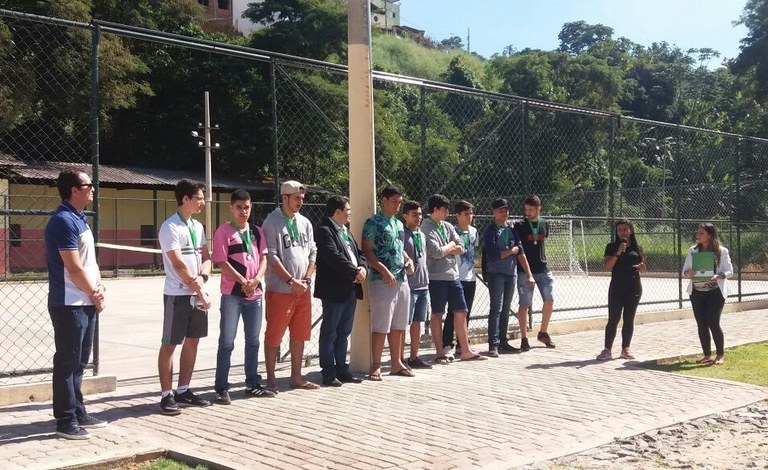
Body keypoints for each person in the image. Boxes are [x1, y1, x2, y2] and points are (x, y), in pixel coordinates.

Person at [45, 169, 107, 439]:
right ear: (74, 190)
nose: (93, 188)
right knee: (67, 362)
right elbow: (73, 266)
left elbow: (89, 262)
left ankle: (77, 409)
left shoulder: (80, 219)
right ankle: (65, 421)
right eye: (88, 185)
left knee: (80, 361)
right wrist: (93, 292)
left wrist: (99, 287)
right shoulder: (63, 221)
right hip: (69, 304)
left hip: (86, 300)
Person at [211, 189, 275, 404]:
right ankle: (221, 387)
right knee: (227, 342)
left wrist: (255, 280)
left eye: (247, 207)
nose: (244, 211)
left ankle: (252, 384)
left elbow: (264, 258)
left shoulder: (257, 231)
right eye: (239, 207)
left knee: (253, 341)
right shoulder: (223, 232)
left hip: (254, 295)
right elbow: (221, 261)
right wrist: (243, 281)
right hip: (233, 295)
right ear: (231, 207)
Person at [157, 179, 213, 415]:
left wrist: (204, 278)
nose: (202, 201)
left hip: (196, 292)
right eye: (199, 197)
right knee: (170, 344)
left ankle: (183, 389)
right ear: (185, 199)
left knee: (193, 340)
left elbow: (207, 257)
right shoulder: (169, 227)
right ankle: (166, 395)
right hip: (177, 295)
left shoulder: (198, 227)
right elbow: (178, 263)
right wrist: (198, 288)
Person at [262, 180, 318, 391]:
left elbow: (313, 251)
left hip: (302, 288)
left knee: (300, 333)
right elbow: (272, 256)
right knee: (274, 334)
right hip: (280, 289)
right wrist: (290, 280)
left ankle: (296, 376)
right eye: (296, 198)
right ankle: (270, 379)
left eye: (302, 199)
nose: (300, 202)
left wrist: (307, 278)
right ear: (284, 198)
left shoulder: (305, 222)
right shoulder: (272, 222)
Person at [421, 194, 486, 363]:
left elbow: (462, 246)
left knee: (461, 311)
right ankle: (440, 352)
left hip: (453, 276)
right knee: (437, 313)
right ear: (435, 209)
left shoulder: (448, 226)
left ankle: (465, 350)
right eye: (444, 209)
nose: (447, 212)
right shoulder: (426, 227)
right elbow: (435, 252)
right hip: (437, 277)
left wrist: (449, 247)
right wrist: (450, 246)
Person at [362, 186, 415, 380]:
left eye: (400, 202)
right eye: (394, 202)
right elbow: (367, 251)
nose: (397, 206)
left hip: (401, 279)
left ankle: (396, 363)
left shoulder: (399, 224)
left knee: (399, 324)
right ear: (383, 200)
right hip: (382, 280)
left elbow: (400, 248)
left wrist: (408, 260)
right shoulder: (372, 222)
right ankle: (376, 365)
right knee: (381, 324)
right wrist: (383, 270)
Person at [314, 195, 367, 387]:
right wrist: (354, 271)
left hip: (351, 287)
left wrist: (362, 268)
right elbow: (333, 257)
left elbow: (358, 253)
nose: (350, 214)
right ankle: (328, 372)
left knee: (344, 331)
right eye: (348, 210)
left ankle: (342, 369)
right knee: (330, 332)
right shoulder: (324, 230)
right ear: (337, 212)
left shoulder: (345, 231)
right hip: (334, 289)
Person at [483, 198, 535, 357]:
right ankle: (493, 343)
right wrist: (510, 252)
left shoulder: (513, 231)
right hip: (495, 274)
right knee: (496, 308)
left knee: (506, 308)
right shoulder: (490, 231)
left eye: (506, 210)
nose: (504, 213)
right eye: (500, 210)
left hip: (510, 274)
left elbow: (520, 253)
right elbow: (493, 255)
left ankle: (503, 341)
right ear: (494, 213)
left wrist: (529, 274)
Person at [683, 223, 733, 366]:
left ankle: (720, 355)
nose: (697, 235)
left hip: (715, 292)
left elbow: (729, 271)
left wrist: (718, 276)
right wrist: (689, 273)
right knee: (701, 324)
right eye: (697, 233)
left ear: (709, 236)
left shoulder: (721, 251)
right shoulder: (692, 250)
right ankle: (706, 355)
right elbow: (685, 270)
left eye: (701, 233)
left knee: (713, 322)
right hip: (696, 292)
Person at [596, 219, 647, 361]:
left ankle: (625, 349)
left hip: (634, 286)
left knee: (628, 318)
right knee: (614, 318)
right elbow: (607, 267)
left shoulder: (637, 247)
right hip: (617, 287)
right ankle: (607, 350)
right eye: (619, 230)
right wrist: (618, 253)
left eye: (625, 229)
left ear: (630, 230)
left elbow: (643, 269)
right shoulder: (611, 247)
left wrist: (642, 267)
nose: (622, 232)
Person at [514, 195, 556, 351]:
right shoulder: (519, 225)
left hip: (543, 269)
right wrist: (527, 272)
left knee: (549, 300)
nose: (528, 212)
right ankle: (524, 338)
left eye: (531, 209)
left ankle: (543, 333)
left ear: (539, 208)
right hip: (525, 271)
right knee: (524, 304)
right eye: (526, 209)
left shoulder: (545, 223)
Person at [443, 200, 479, 357]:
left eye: (471, 213)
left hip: (470, 277)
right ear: (457, 215)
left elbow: (474, 250)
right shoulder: (452, 231)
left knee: (466, 311)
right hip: (456, 276)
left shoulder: (474, 231)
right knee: (453, 311)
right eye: (466, 213)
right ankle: (446, 344)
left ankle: (461, 344)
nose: (469, 216)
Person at [402, 200, 432, 369]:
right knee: (403, 322)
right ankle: (400, 357)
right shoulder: (402, 234)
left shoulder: (421, 234)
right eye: (414, 215)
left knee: (418, 322)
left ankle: (414, 356)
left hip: (423, 285)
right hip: (409, 285)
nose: (418, 218)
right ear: (405, 216)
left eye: (420, 214)